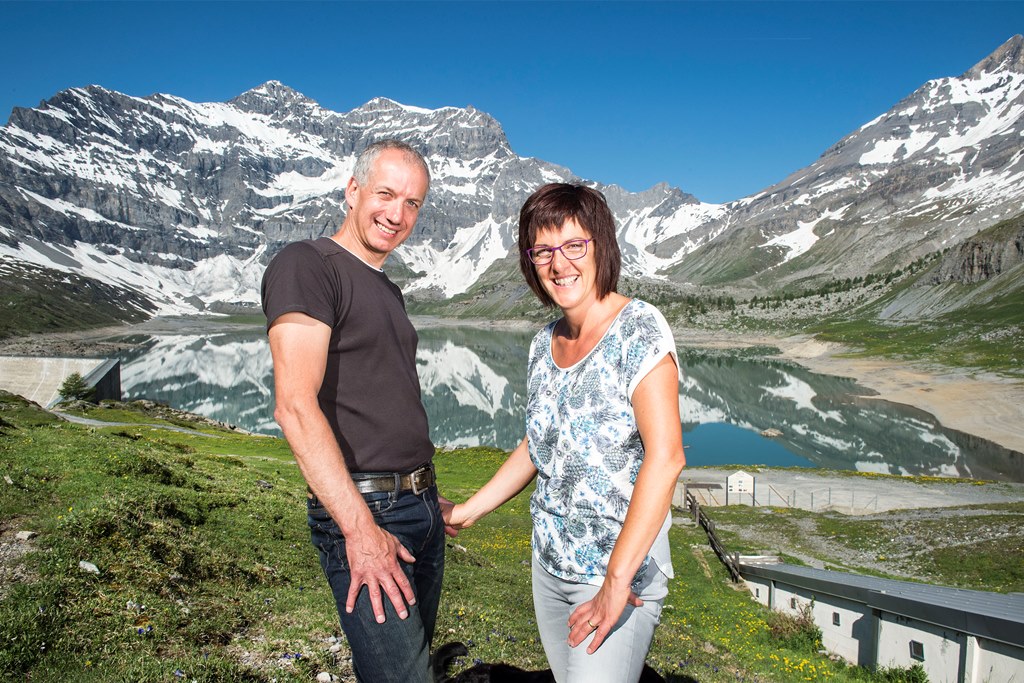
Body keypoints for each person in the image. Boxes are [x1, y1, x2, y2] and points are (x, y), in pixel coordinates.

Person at [442, 183, 686, 683]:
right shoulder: (542, 344)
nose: (559, 264)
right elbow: (539, 445)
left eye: (574, 245)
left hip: (619, 575)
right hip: (550, 567)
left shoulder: (639, 328)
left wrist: (616, 583)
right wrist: (468, 511)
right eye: (543, 251)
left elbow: (667, 458)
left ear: (601, 247)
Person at [261, 139, 445, 683]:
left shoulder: (387, 288)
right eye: (385, 194)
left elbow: (382, 399)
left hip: (418, 508)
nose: (397, 213)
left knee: (408, 667)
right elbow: (294, 406)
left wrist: (422, 488)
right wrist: (360, 529)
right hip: (368, 513)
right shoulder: (308, 265)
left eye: (412, 203)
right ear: (352, 190)